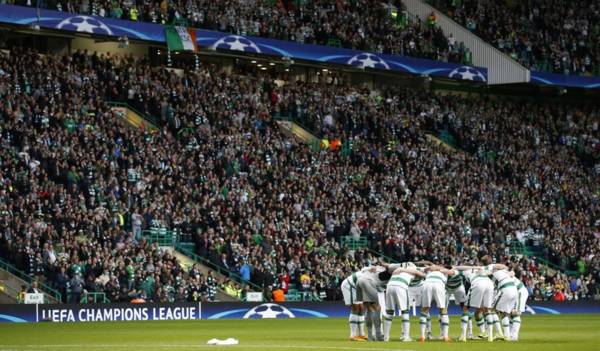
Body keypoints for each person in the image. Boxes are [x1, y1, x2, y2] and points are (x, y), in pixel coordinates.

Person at [383, 265, 426, 342]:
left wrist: (403, 270)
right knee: (405, 311)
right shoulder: (413, 271)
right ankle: (406, 337)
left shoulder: (398, 270)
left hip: (389, 286)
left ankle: (386, 337)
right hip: (401, 286)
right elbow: (421, 274)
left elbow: (395, 270)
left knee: (389, 312)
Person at [340, 266, 378, 341]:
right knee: (356, 307)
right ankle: (353, 335)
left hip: (357, 288)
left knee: (361, 308)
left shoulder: (370, 274)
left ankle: (361, 334)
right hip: (349, 286)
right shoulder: (368, 277)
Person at [419, 265, 455, 342]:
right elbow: (452, 272)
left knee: (425, 310)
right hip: (439, 284)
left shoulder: (430, 272)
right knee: (443, 310)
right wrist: (441, 269)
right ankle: (445, 336)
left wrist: (432, 267)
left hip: (427, 284)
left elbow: (424, 268)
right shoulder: (443, 271)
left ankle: (422, 336)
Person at [510, 270, 529, 341]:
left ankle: (514, 336)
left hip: (520, 292)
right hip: (515, 293)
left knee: (516, 313)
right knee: (512, 314)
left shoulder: (504, 277)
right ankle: (509, 334)